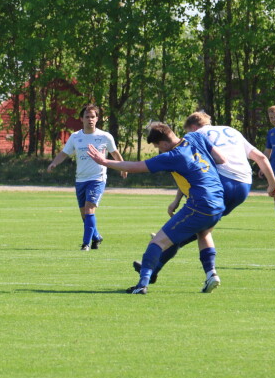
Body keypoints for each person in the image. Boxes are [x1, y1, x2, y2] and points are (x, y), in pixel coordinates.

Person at [136, 112, 275, 283]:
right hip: (243, 186)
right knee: (202, 229)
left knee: (190, 226)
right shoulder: (231, 130)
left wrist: (176, 200)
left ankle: (156, 258)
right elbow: (261, 157)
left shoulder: (196, 136)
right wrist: (273, 183)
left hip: (221, 183)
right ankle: (162, 266)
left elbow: (192, 171)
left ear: (194, 127)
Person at [87, 122, 227, 295]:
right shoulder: (195, 136)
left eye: (158, 147)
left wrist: (104, 161)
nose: (159, 150)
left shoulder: (172, 156)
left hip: (200, 204)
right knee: (204, 234)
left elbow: (135, 167)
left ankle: (142, 285)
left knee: (158, 242)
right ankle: (211, 274)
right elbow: (221, 159)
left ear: (164, 143)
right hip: (219, 200)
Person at [46, 104, 126, 251]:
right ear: (81, 119)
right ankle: (96, 237)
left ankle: (86, 244)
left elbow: (114, 153)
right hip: (80, 179)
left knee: (89, 210)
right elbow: (64, 153)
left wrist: (122, 167)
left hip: (97, 179)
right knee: (84, 214)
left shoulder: (105, 136)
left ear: (97, 119)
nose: (90, 119)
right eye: (87, 116)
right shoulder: (76, 137)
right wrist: (54, 163)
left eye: (93, 117)